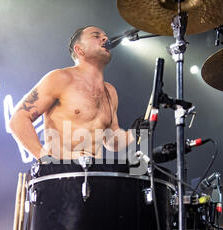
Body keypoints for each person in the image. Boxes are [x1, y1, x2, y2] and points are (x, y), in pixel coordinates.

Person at [9, 25, 134, 162]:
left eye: (104, 36)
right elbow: (19, 119)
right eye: (96, 36)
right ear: (79, 49)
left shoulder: (110, 92)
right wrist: (44, 158)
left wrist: (136, 132)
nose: (105, 38)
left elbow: (111, 141)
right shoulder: (60, 78)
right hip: (61, 175)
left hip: (94, 175)